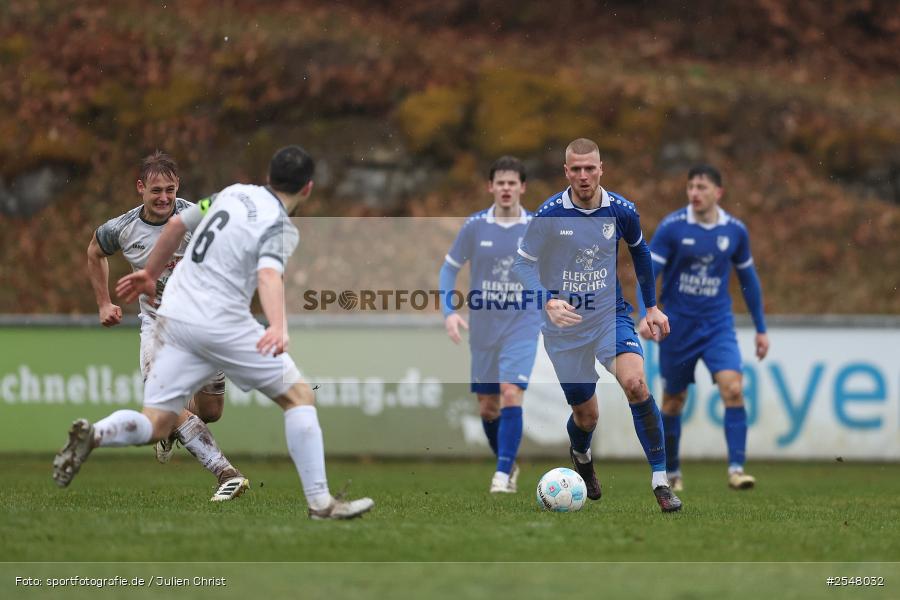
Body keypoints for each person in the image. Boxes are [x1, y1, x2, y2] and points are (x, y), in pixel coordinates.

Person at [54, 146, 374, 520]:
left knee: (159, 421)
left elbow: (177, 225)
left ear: (268, 177)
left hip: (174, 317)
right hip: (222, 321)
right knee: (299, 397)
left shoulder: (232, 193)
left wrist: (149, 273)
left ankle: (95, 434)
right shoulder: (279, 226)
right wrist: (277, 325)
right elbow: (268, 275)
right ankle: (320, 503)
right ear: (308, 188)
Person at [513, 138, 682, 513]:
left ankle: (661, 481)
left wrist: (651, 307)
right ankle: (581, 456)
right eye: (576, 169)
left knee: (636, 384)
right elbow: (522, 265)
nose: (584, 175)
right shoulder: (549, 215)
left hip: (609, 316)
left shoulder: (621, 210)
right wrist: (548, 301)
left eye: (590, 168)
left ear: (601, 169)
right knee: (586, 416)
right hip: (564, 329)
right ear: (566, 172)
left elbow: (640, 252)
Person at [86, 150, 247, 502]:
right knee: (162, 404)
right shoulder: (122, 228)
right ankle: (226, 472)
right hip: (158, 325)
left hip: (204, 322)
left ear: (178, 188)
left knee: (210, 412)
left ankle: (169, 427)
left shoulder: (196, 218)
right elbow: (94, 252)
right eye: (156, 190)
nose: (164, 198)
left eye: (170, 190)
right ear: (140, 188)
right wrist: (103, 303)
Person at [638, 164, 769, 491]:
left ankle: (736, 469)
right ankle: (673, 471)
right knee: (673, 401)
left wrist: (761, 328)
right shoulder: (673, 227)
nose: (694, 193)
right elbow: (648, 272)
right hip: (677, 327)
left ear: (718, 192)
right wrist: (646, 313)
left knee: (733, 389)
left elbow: (749, 280)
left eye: (702, 187)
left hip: (717, 325)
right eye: (691, 187)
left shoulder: (735, 231)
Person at [439, 156, 542, 493]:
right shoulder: (475, 226)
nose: (506, 188)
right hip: (483, 326)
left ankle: (501, 474)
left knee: (510, 391)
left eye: (512, 183)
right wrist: (449, 311)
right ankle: (508, 463)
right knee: (487, 407)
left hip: (522, 323)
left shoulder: (536, 228)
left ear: (522, 187)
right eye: (500, 183)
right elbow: (449, 269)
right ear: (490, 187)